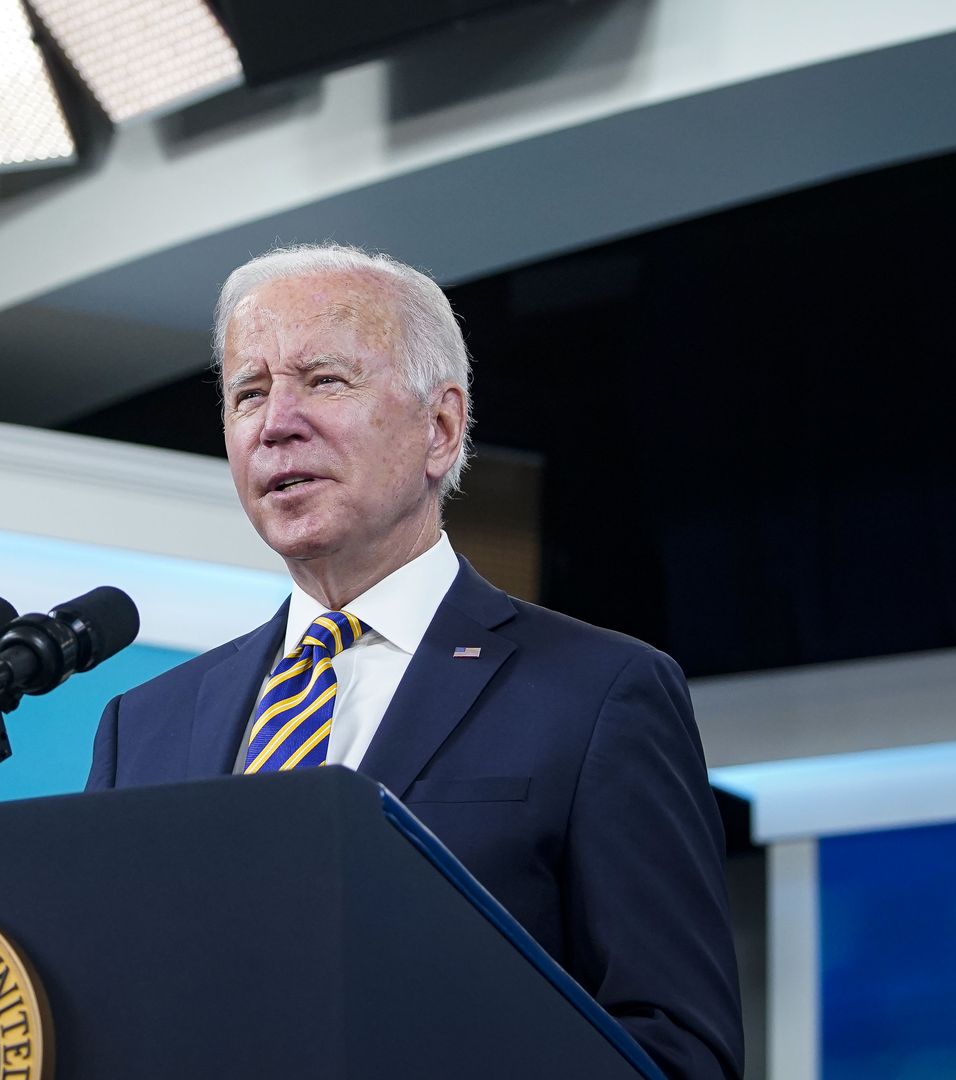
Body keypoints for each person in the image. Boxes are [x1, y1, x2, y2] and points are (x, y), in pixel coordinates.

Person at [86, 243, 744, 1079]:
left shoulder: (599, 696)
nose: (276, 421)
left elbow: (679, 1050)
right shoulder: (143, 726)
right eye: (249, 393)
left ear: (440, 428)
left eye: (324, 380)